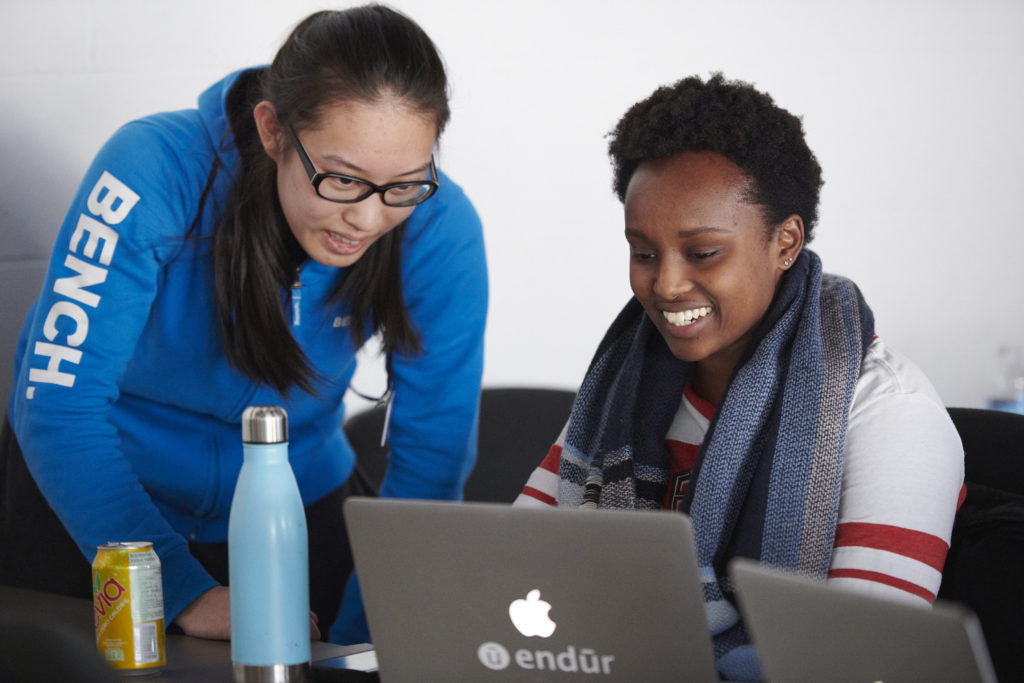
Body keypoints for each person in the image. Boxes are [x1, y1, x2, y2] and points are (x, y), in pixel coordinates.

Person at [0, 5, 487, 645]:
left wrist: (366, 637)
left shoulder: (441, 224)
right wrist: (177, 587)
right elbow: (59, 404)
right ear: (273, 130)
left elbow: (433, 455)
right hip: (98, 503)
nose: (367, 220)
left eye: (403, 183)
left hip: (293, 507)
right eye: (342, 179)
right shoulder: (152, 167)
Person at [515, 74, 963, 680]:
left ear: (785, 242)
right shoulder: (621, 388)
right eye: (643, 252)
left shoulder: (892, 417)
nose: (666, 284)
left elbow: (862, 661)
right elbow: (512, 565)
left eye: (702, 253)